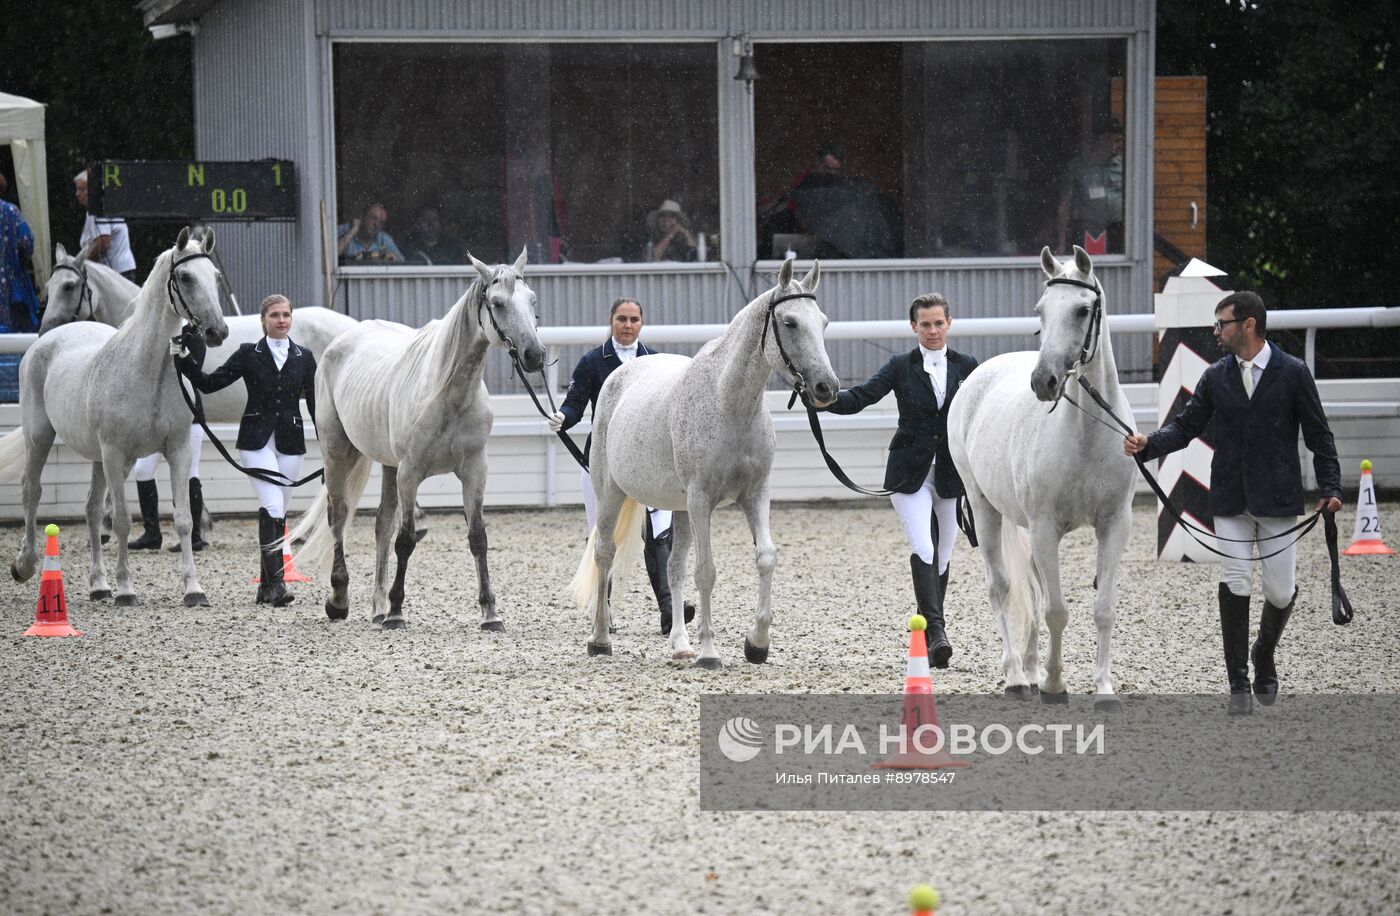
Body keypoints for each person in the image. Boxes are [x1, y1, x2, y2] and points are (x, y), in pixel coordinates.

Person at [1124, 291, 1342, 716]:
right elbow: (1186, 427)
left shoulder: (1293, 373)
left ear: (1248, 325)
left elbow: (1319, 435)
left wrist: (1331, 487)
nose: (1215, 330)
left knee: (1280, 591)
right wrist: (1149, 445)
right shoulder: (1215, 376)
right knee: (1236, 580)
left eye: (1221, 322)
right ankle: (1238, 681)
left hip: (1278, 500)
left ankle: (1264, 652)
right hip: (1230, 498)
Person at [822, 293, 979, 668]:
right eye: (925, 324)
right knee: (924, 548)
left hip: (950, 473)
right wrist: (823, 400)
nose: (932, 330)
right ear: (914, 327)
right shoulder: (900, 365)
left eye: (938, 323)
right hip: (908, 473)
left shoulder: (968, 366)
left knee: (943, 556)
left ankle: (929, 630)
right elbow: (861, 397)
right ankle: (938, 633)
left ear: (949, 323)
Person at [547, 297, 694, 635]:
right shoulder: (592, 362)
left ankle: (669, 610)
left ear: (641, 323)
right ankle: (604, 607)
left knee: (660, 535)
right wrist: (562, 419)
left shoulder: (656, 362)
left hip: (651, 463)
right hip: (605, 461)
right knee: (603, 533)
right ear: (611, 321)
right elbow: (575, 406)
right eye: (621, 319)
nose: (628, 326)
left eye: (634, 320)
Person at [174, 294, 317, 606]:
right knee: (273, 506)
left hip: (291, 442)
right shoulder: (248, 354)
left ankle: (265, 587)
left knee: (277, 513)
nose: (281, 320)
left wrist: (330, 449)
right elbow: (209, 384)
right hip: (256, 441)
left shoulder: (304, 357)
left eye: (286, 315)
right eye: (275, 316)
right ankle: (277, 585)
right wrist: (183, 359)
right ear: (263, 321)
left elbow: (317, 406)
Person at [127, 323, 209, 553]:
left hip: (186, 416)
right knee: (143, 470)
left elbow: (192, 371)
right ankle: (152, 533)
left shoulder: (193, 334)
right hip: (154, 418)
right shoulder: (149, 333)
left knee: (190, 472)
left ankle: (194, 536)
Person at [1058, 119, 1124, 255]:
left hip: (1117, 232)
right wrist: (1061, 243)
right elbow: (1065, 206)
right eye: (1116, 141)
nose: (1121, 145)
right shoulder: (1079, 167)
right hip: (1086, 231)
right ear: (1102, 140)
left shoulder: (1124, 166)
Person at [74, 169, 137, 281]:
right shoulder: (103, 205)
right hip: (121, 270)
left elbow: (103, 243)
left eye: (81, 189)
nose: (77, 194)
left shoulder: (98, 208)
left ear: (93, 190)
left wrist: (81, 265)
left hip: (116, 273)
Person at [0, 174, 40, 333]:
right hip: (11, 288)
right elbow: (27, 242)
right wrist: (17, 264)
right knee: (15, 338)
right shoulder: (11, 212)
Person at [336, 202, 403, 264]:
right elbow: (330, 256)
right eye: (374, 218)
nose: (377, 224)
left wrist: (384, 256)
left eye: (381, 222)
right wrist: (352, 231)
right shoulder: (344, 230)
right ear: (362, 217)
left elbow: (401, 262)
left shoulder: (383, 238)